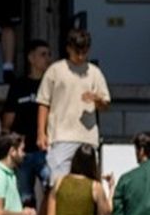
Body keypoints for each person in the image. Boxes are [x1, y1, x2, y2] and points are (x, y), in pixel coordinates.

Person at [36, 27, 111, 183]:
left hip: (87, 137)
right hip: (60, 136)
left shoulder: (94, 72)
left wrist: (96, 99)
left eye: (84, 52)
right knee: (57, 185)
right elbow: (43, 102)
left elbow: (105, 105)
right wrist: (41, 133)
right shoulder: (55, 70)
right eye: (77, 52)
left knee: (88, 185)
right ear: (68, 49)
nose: (81, 56)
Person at [1, 39, 52, 207]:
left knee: (52, 192)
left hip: (46, 150)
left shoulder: (52, 85)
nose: (47, 59)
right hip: (23, 153)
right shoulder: (18, 85)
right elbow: (8, 117)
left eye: (49, 55)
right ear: (31, 58)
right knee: (24, 197)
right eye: (42, 54)